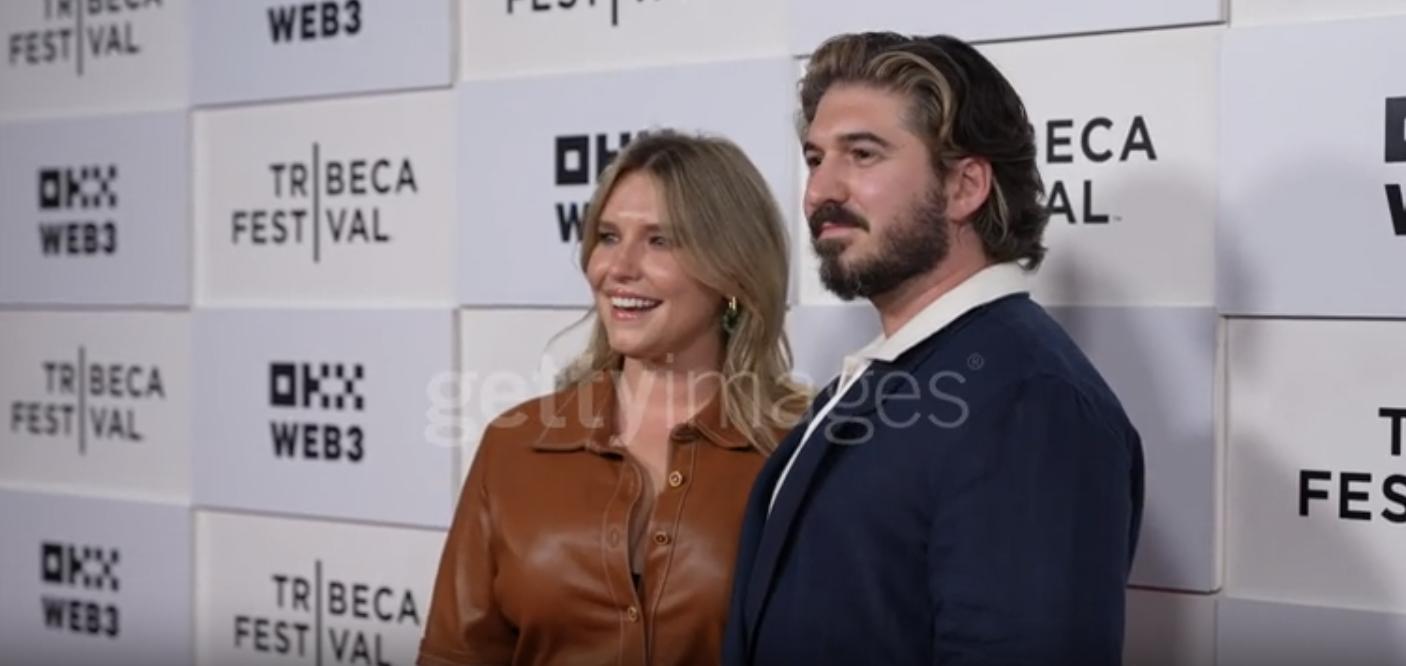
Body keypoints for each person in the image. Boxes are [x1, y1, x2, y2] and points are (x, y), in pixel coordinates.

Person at [724, 33, 1145, 665]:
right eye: (814, 159)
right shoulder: (908, 370)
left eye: (862, 155)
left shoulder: (1029, 401)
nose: (820, 191)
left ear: (964, 187)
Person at [418, 130, 809, 666]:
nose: (618, 268)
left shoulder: (799, 450)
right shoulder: (517, 445)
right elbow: (455, 655)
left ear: (733, 272)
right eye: (607, 236)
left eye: (659, 240)